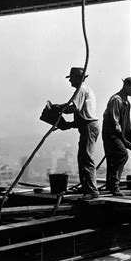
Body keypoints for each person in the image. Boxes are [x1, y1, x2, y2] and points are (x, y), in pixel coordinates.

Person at [51, 67, 100, 200]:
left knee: (86, 158)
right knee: (82, 157)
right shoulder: (84, 90)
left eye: (72, 78)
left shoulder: (81, 90)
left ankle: (91, 191)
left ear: (79, 78)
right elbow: (81, 114)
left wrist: (59, 107)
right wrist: (68, 125)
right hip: (87, 126)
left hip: (89, 127)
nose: (70, 80)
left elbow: (73, 108)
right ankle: (85, 187)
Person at [102, 77, 131, 196]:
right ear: (126, 86)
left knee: (113, 159)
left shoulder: (127, 103)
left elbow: (127, 125)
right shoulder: (116, 100)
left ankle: (111, 185)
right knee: (122, 155)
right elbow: (114, 122)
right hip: (111, 134)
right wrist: (124, 140)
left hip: (118, 134)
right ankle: (115, 185)